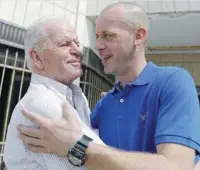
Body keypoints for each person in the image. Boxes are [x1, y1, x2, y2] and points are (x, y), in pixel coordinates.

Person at [17, 2, 200, 170]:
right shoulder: (104, 105)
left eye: (108, 36)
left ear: (138, 36)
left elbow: (176, 166)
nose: (98, 45)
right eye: (97, 37)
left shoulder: (173, 82)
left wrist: (78, 147)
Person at [3, 17, 104, 170]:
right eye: (64, 44)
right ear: (37, 58)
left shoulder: (74, 96)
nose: (78, 50)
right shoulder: (42, 103)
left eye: (77, 43)